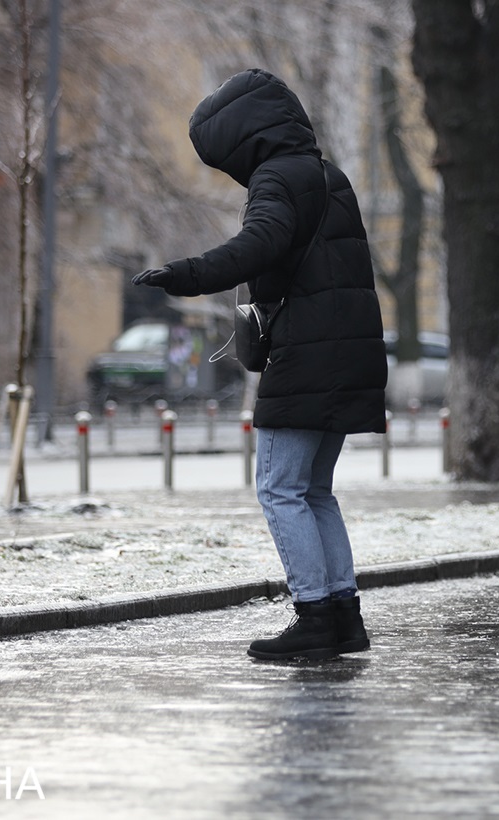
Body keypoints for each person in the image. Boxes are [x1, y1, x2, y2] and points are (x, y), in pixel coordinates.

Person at [131, 69, 387, 661]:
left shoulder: (277, 179)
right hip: (347, 352)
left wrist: (188, 274)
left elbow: (261, 243)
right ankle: (344, 617)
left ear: (244, 141)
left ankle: (315, 615)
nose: (231, 173)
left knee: (278, 489)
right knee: (314, 490)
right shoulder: (328, 176)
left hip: (306, 356)